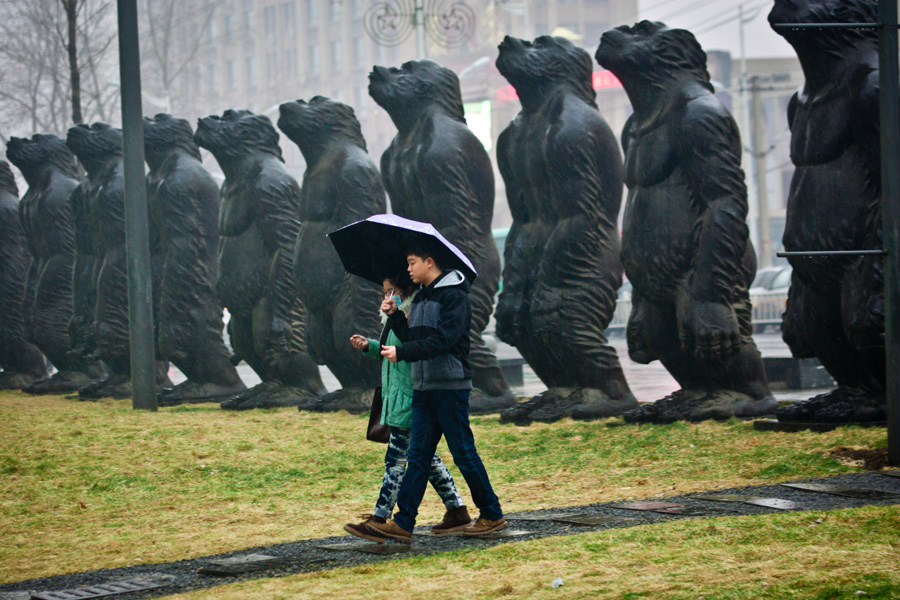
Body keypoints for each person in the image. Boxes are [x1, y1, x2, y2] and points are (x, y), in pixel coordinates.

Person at [367, 246, 507, 543]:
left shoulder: (454, 297)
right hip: (423, 388)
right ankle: (403, 523)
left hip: (450, 388)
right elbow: (414, 339)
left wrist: (403, 352)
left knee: (463, 454)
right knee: (417, 457)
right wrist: (395, 318)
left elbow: (443, 341)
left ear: (429, 262)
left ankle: (492, 514)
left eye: (412, 262)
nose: (408, 269)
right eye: (408, 263)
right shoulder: (421, 298)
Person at [344, 275, 472, 542]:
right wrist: (370, 346)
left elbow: (409, 352)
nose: (389, 296)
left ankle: (380, 518)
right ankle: (457, 510)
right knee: (426, 460)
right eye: (385, 292)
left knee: (396, 461)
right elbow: (393, 350)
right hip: (399, 398)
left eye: (394, 291)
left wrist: (394, 324)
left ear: (409, 291)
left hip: (410, 398)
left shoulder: (413, 317)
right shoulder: (396, 318)